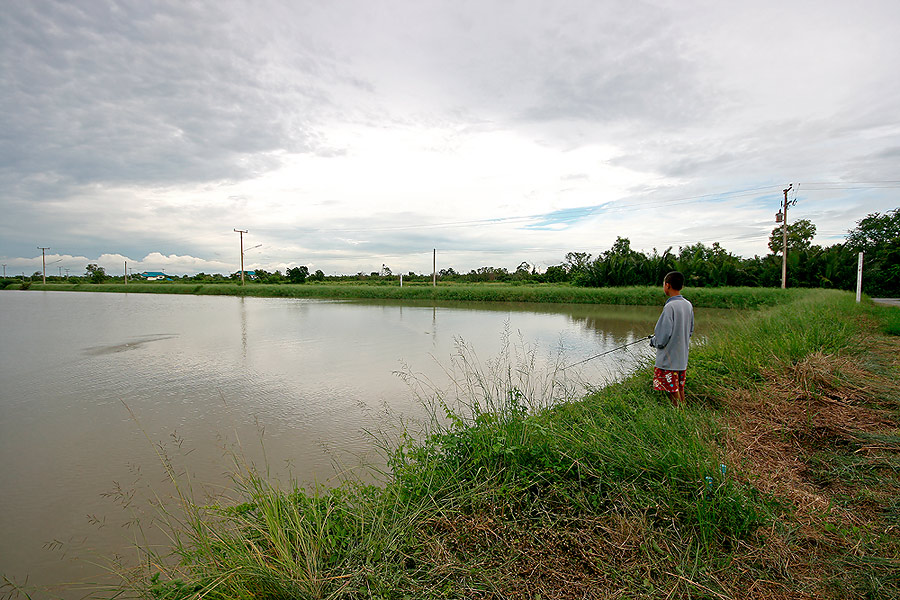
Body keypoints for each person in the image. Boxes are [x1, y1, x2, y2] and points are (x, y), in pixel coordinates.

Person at [649, 271, 693, 407]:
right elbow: (690, 331)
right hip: (681, 357)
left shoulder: (670, 307)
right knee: (679, 387)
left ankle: (680, 417)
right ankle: (683, 411)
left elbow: (662, 338)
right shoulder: (688, 305)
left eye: (664, 284)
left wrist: (653, 341)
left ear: (667, 285)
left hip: (669, 359)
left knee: (673, 391)